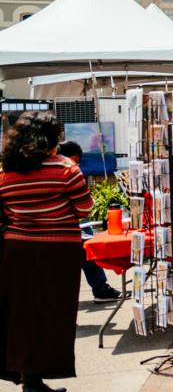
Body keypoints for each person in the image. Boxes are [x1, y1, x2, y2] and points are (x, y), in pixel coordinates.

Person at [0, 111, 94, 392]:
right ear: (52, 138)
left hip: (16, 250)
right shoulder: (66, 168)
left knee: (22, 315)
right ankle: (35, 380)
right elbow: (86, 208)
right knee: (53, 315)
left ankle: (30, 380)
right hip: (58, 252)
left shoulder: (5, 171)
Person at [57, 140, 121, 304]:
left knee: (88, 233)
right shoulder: (65, 171)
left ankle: (100, 288)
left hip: (53, 228)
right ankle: (100, 289)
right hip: (58, 231)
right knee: (87, 245)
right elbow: (85, 207)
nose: (75, 164)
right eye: (74, 160)